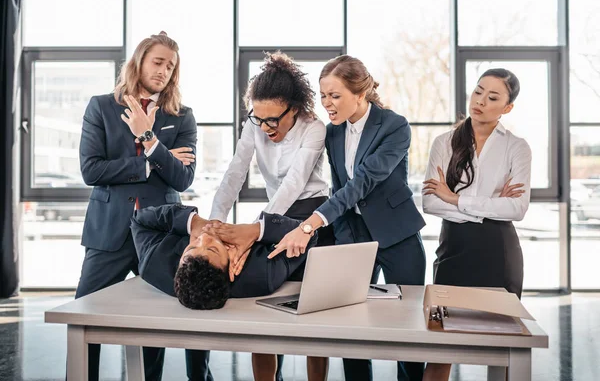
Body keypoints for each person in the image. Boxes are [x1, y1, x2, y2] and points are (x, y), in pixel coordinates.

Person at [272, 55, 426, 381]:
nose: (327, 103)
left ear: (361, 93)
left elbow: (364, 181)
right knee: (352, 327)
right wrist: (343, 239)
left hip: (399, 236)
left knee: (409, 328)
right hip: (355, 237)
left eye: (335, 95)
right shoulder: (333, 133)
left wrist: (311, 223)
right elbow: (339, 187)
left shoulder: (394, 126)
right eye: (324, 95)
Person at [76, 32, 203, 381]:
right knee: (85, 314)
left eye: (170, 66)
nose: (163, 71)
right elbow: (91, 169)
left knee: (154, 322)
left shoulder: (182, 116)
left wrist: (150, 141)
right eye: (158, 62)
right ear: (140, 61)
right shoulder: (101, 107)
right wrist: (152, 163)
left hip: (159, 234)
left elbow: (182, 178)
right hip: (108, 232)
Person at [208, 51, 333, 379]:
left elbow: (294, 184)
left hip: (309, 217)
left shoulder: (314, 127)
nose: (264, 128)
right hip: (271, 216)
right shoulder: (255, 124)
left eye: (273, 120)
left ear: (294, 109)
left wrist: (254, 230)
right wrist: (214, 221)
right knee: (261, 310)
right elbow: (236, 171)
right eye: (258, 119)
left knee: (313, 317)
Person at [421, 68, 531, 381]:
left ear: (507, 108)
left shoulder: (517, 147)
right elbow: (430, 202)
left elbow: (518, 208)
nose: (480, 101)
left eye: (492, 97)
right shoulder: (444, 142)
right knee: (441, 350)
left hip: (499, 254)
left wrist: (456, 199)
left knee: (503, 350)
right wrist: (491, 205)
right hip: (453, 252)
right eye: (478, 91)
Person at [130, 204, 323, 381]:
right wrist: (256, 231)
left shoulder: (153, 264)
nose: (204, 237)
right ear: (229, 268)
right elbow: (309, 234)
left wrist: (193, 223)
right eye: (214, 249)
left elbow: (140, 219)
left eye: (192, 247)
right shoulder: (263, 273)